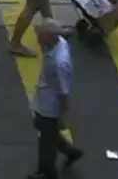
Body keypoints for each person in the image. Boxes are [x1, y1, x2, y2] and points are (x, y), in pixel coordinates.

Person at [30, 17, 83, 178]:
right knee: (41, 125)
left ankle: (47, 173)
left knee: (46, 143)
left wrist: (60, 116)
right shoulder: (55, 42)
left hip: (50, 106)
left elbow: (63, 93)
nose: (37, 36)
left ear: (50, 36)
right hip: (43, 98)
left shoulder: (60, 63)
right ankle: (70, 151)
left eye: (41, 34)